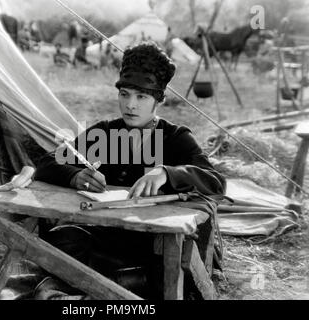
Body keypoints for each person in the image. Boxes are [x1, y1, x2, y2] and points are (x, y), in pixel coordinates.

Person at [34, 42, 226, 299]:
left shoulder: (175, 138)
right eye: (124, 94)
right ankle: (119, 285)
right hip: (110, 234)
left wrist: (167, 173)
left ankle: (98, 286)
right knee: (63, 238)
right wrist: (75, 175)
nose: (130, 105)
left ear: (159, 100)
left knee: (172, 262)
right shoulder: (106, 132)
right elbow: (47, 162)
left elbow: (215, 181)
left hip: (154, 241)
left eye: (141, 97)